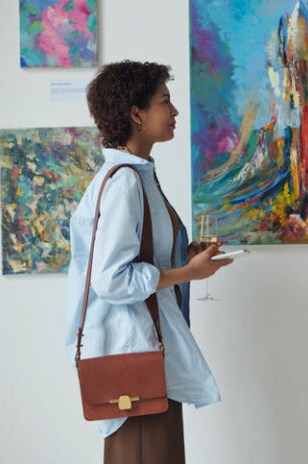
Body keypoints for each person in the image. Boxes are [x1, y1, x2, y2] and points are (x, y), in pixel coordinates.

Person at [64, 60, 233, 464]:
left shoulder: (138, 176)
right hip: (136, 359)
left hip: (146, 358)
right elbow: (111, 279)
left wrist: (183, 257)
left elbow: (137, 258)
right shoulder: (124, 181)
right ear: (135, 114)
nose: (174, 112)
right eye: (165, 102)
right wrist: (186, 273)